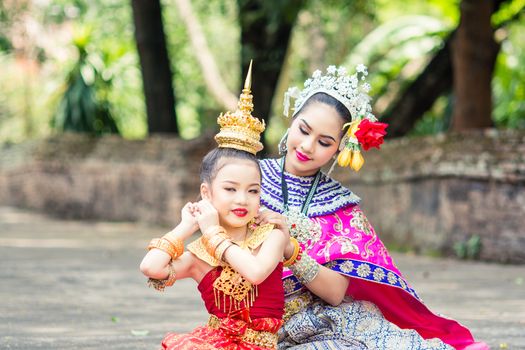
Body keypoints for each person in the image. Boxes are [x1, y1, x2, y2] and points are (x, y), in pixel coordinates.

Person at [255, 65, 489, 350]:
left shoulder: (341, 206)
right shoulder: (245, 180)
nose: (307, 146)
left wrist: (292, 252)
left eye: (324, 142)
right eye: (303, 130)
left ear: (340, 149)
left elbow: (335, 293)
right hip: (254, 321)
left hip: (321, 319)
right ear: (292, 121)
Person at [140, 63, 289, 350]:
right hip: (214, 342)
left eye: (253, 190)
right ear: (206, 193)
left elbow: (256, 272)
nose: (242, 199)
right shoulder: (200, 254)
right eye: (230, 189)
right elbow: (151, 267)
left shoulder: (271, 234)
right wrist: (187, 226)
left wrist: (213, 235)